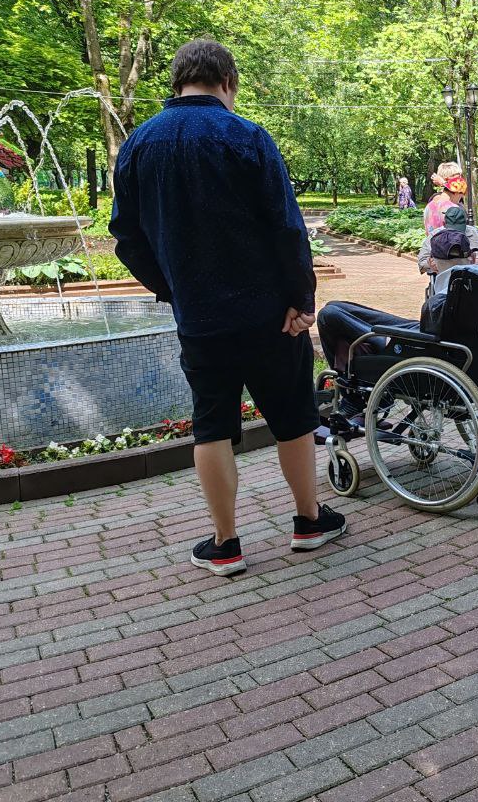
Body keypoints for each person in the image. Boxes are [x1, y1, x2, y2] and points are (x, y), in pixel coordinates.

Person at [110, 39, 344, 576]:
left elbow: (126, 234)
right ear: (228, 82)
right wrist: (301, 300)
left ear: (178, 82)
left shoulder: (139, 144)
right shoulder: (247, 137)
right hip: (270, 316)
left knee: (211, 426)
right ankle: (309, 522)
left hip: (200, 319)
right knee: (293, 418)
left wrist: (170, 287)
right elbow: (287, 229)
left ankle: (226, 544)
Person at [417, 205, 478, 295]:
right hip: (445, 286)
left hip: (476, 284)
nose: (456, 234)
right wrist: (432, 264)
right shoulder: (435, 237)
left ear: (466, 223)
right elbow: (421, 263)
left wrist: (473, 263)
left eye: (459, 229)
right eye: (452, 230)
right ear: (444, 224)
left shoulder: (475, 234)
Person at [424, 164, 464, 231]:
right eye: (458, 178)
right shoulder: (454, 209)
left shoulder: (428, 207)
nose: (461, 182)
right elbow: (458, 238)